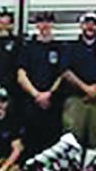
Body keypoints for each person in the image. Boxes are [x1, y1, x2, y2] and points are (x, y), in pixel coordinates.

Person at [61, 12, 96, 149]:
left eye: (93, 24)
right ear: (81, 26)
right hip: (76, 99)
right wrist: (86, 88)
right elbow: (65, 72)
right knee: (72, 141)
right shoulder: (71, 47)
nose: (90, 27)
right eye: (87, 23)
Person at [17, 11, 65, 154]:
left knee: (52, 144)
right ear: (36, 25)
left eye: (48, 21)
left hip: (52, 103)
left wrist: (49, 94)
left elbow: (63, 75)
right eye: (41, 21)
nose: (45, 25)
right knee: (31, 144)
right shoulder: (27, 48)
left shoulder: (60, 47)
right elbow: (21, 75)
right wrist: (36, 95)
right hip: (31, 103)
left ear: (52, 24)